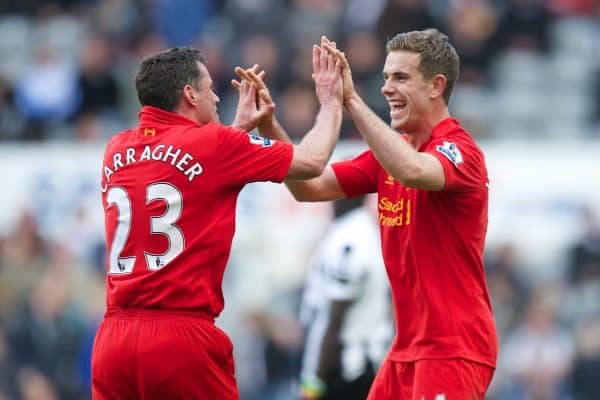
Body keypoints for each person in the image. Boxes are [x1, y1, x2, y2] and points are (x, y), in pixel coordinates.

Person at [235, 28, 498, 400]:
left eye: (401, 78)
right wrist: (270, 127)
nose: (388, 88)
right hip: (405, 350)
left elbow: (414, 171)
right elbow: (307, 187)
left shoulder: (460, 151)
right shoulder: (389, 156)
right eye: (386, 77)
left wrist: (351, 101)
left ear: (436, 86)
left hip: (453, 349)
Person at [91, 45, 343, 399]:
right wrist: (332, 101)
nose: (216, 96)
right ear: (190, 94)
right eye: (209, 88)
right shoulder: (217, 144)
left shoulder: (116, 148)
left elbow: (187, 168)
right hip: (180, 338)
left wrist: (237, 131)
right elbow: (312, 162)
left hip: (113, 341)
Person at [298, 194, 393, 400]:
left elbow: (334, 321)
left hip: (345, 369)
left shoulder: (350, 238)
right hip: (366, 361)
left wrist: (313, 382)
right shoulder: (362, 231)